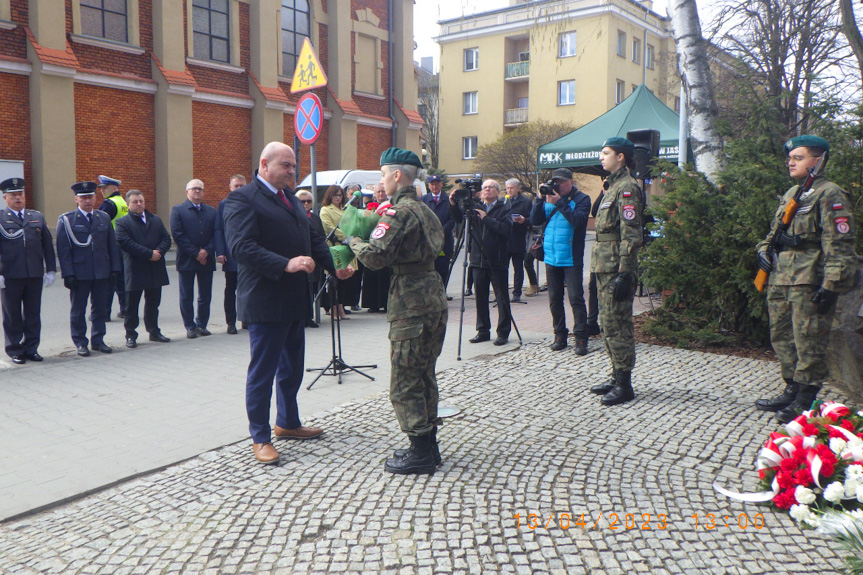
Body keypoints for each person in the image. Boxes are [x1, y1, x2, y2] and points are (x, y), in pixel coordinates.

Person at [223, 142, 351, 465]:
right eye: (286, 166)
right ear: (264, 164)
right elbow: (241, 247)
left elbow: (315, 239)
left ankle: (288, 422)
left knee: (292, 367)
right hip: (265, 301)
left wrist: (333, 265)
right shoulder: (242, 199)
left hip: (295, 299)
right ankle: (260, 436)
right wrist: (286, 263)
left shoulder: (291, 200)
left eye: (294, 166)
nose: (293, 172)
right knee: (263, 372)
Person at [349, 147, 448, 475]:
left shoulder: (397, 213)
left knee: (405, 379)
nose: (381, 180)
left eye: (381, 174)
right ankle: (429, 446)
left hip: (410, 302)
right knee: (425, 373)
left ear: (396, 175)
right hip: (433, 296)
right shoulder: (426, 210)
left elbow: (375, 258)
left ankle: (419, 449)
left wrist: (352, 241)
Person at [755, 135, 858, 423]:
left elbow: (841, 244)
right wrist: (763, 251)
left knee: (808, 340)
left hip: (809, 278)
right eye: (790, 157)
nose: (790, 162)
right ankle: (791, 387)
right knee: (782, 336)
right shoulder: (793, 192)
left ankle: (806, 397)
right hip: (781, 277)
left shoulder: (831, 194)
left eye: (798, 158)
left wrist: (832, 285)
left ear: (818, 160)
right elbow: (772, 234)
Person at [588, 138, 643, 406]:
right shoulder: (612, 186)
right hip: (604, 266)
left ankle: (625, 384)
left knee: (618, 324)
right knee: (606, 322)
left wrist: (625, 271)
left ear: (621, 157)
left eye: (606, 153)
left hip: (616, 268)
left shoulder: (628, 188)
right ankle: (615, 374)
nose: (602, 157)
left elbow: (631, 235)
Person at [56, 181, 122, 356]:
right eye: (83, 198)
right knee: (78, 310)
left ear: (95, 198)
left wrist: (115, 268)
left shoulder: (103, 217)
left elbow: (111, 246)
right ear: (76, 199)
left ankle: (98, 340)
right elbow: (63, 250)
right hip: (79, 273)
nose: (87, 201)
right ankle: (80, 342)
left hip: (101, 271)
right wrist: (68, 273)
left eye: (90, 197)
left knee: (100, 309)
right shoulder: (68, 219)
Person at [530, 168, 591, 354]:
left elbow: (579, 221)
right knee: (554, 299)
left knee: (575, 298)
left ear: (571, 183)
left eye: (562, 182)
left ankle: (581, 338)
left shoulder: (582, 199)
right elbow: (534, 220)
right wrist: (540, 199)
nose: (558, 185)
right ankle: (560, 335)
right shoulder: (549, 197)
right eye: (555, 182)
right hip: (551, 256)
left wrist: (561, 203)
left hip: (571, 257)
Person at [0, 178, 56, 364]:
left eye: (20, 194)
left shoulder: (36, 217)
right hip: (10, 275)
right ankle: (15, 349)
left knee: (33, 313)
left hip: (34, 274)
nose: (18, 198)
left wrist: (51, 270)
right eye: (13, 195)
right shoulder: (1, 218)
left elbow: (47, 245)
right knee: (12, 314)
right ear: (5, 197)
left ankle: (31, 348)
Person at [451, 179, 513, 345]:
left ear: (497, 192)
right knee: (481, 297)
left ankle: (503, 332)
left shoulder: (504, 209)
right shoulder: (475, 208)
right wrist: (453, 204)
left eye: (490, 187)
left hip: (497, 260)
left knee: (501, 297)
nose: (487, 190)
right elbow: (459, 220)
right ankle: (483, 330)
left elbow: (506, 230)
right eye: (484, 187)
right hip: (477, 260)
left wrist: (486, 219)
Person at [114, 189, 172, 348]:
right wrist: (148, 254)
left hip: (155, 268)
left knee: (153, 303)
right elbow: (125, 242)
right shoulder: (122, 223)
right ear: (128, 204)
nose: (139, 204)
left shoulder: (156, 219)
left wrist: (159, 252)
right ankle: (131, 335)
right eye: (135, 202)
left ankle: (154, 332)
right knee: (131, 306)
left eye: (141, 201)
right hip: (135, 269)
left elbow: (166, 238)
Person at [170, 179, 217, 339]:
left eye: (200, 189)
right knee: (186, 295)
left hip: (207, 259)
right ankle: (190, 326)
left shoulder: (211, 211)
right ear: (187, 192)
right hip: (187, 259)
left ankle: (202, 325)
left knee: (205, 295)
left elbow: (216, 234)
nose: (197, 191)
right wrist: (196, 253)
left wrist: (207, 251)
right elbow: (178, 234)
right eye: (194, 189)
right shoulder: (178, 210)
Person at [319, 185, 358, 319]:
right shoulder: (325, 210)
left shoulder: (344, 210)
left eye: (340, 195)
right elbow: (328, 227)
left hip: (346, 247)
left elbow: (352, 225)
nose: (338, 198)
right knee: (334, 280)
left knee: (344, 280)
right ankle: (333, 309)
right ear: (329, 196)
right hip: (335, 247)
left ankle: (341, 308)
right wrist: (346, 236)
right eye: (335, 195)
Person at [215, 174, 247, 334]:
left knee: (248, 289)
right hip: (231, 254)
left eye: (242, 185)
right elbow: (219, 229)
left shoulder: (252, 202)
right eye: (236, 186)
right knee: (231, 289)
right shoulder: (224, 204)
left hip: (249, 255)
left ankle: (246, 319)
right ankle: (231, 322)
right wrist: (220, 251)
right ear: (230, 187)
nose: (239, 189)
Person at [97, 175, 129, 320]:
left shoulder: (109, 204)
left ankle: (104, 313)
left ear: (115, 188)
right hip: (123, 247)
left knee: (108, 281)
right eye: (101, 188)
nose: (102, 191)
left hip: (110, 247)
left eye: (105, 188)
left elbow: (99, 224)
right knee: (122, 280)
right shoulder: (123, 202)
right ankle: (125, 309)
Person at [420, 175, 456, 291]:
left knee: (443, 268)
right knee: (429, 269)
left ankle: (442, 292)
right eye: (432, 184)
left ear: (441, 184)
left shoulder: (449, 200)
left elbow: (453, 219)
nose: (434, 186)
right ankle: (430, 293)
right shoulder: (423, 200)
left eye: (437, 184)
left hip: (445, 241)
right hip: (428, 241)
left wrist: (440, 231)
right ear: (429, 186)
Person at [296, 189, 325, 327]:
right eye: (302, 201)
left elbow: (321, 236)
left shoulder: (315, 218)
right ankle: (301, 317)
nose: (306, 204)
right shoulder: (295, 217)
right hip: (300, 259)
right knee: (302, 289)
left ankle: (309, 316)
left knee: (313, 288)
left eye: (308, 201)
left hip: (315, 258)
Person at [503, 179, 533, 303]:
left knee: (518, 268)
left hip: (518, 238)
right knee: (502, 268)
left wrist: (524, 220)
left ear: (518, 188)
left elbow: (532, 219)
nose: (509, 190)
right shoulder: (503, 201)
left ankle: (517, 293)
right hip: (504, 239)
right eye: (508, 188)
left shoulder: (526, 202)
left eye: (512, 188)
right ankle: (502, 292)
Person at [586, 190, 605, 337]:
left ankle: (607, 323)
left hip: (614, 250)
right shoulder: (605, 193)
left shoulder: (625, 189)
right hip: (599, 250)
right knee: (593, 286)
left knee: (609, 289)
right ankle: (592, 322)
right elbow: (595, 210)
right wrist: (602, 192)